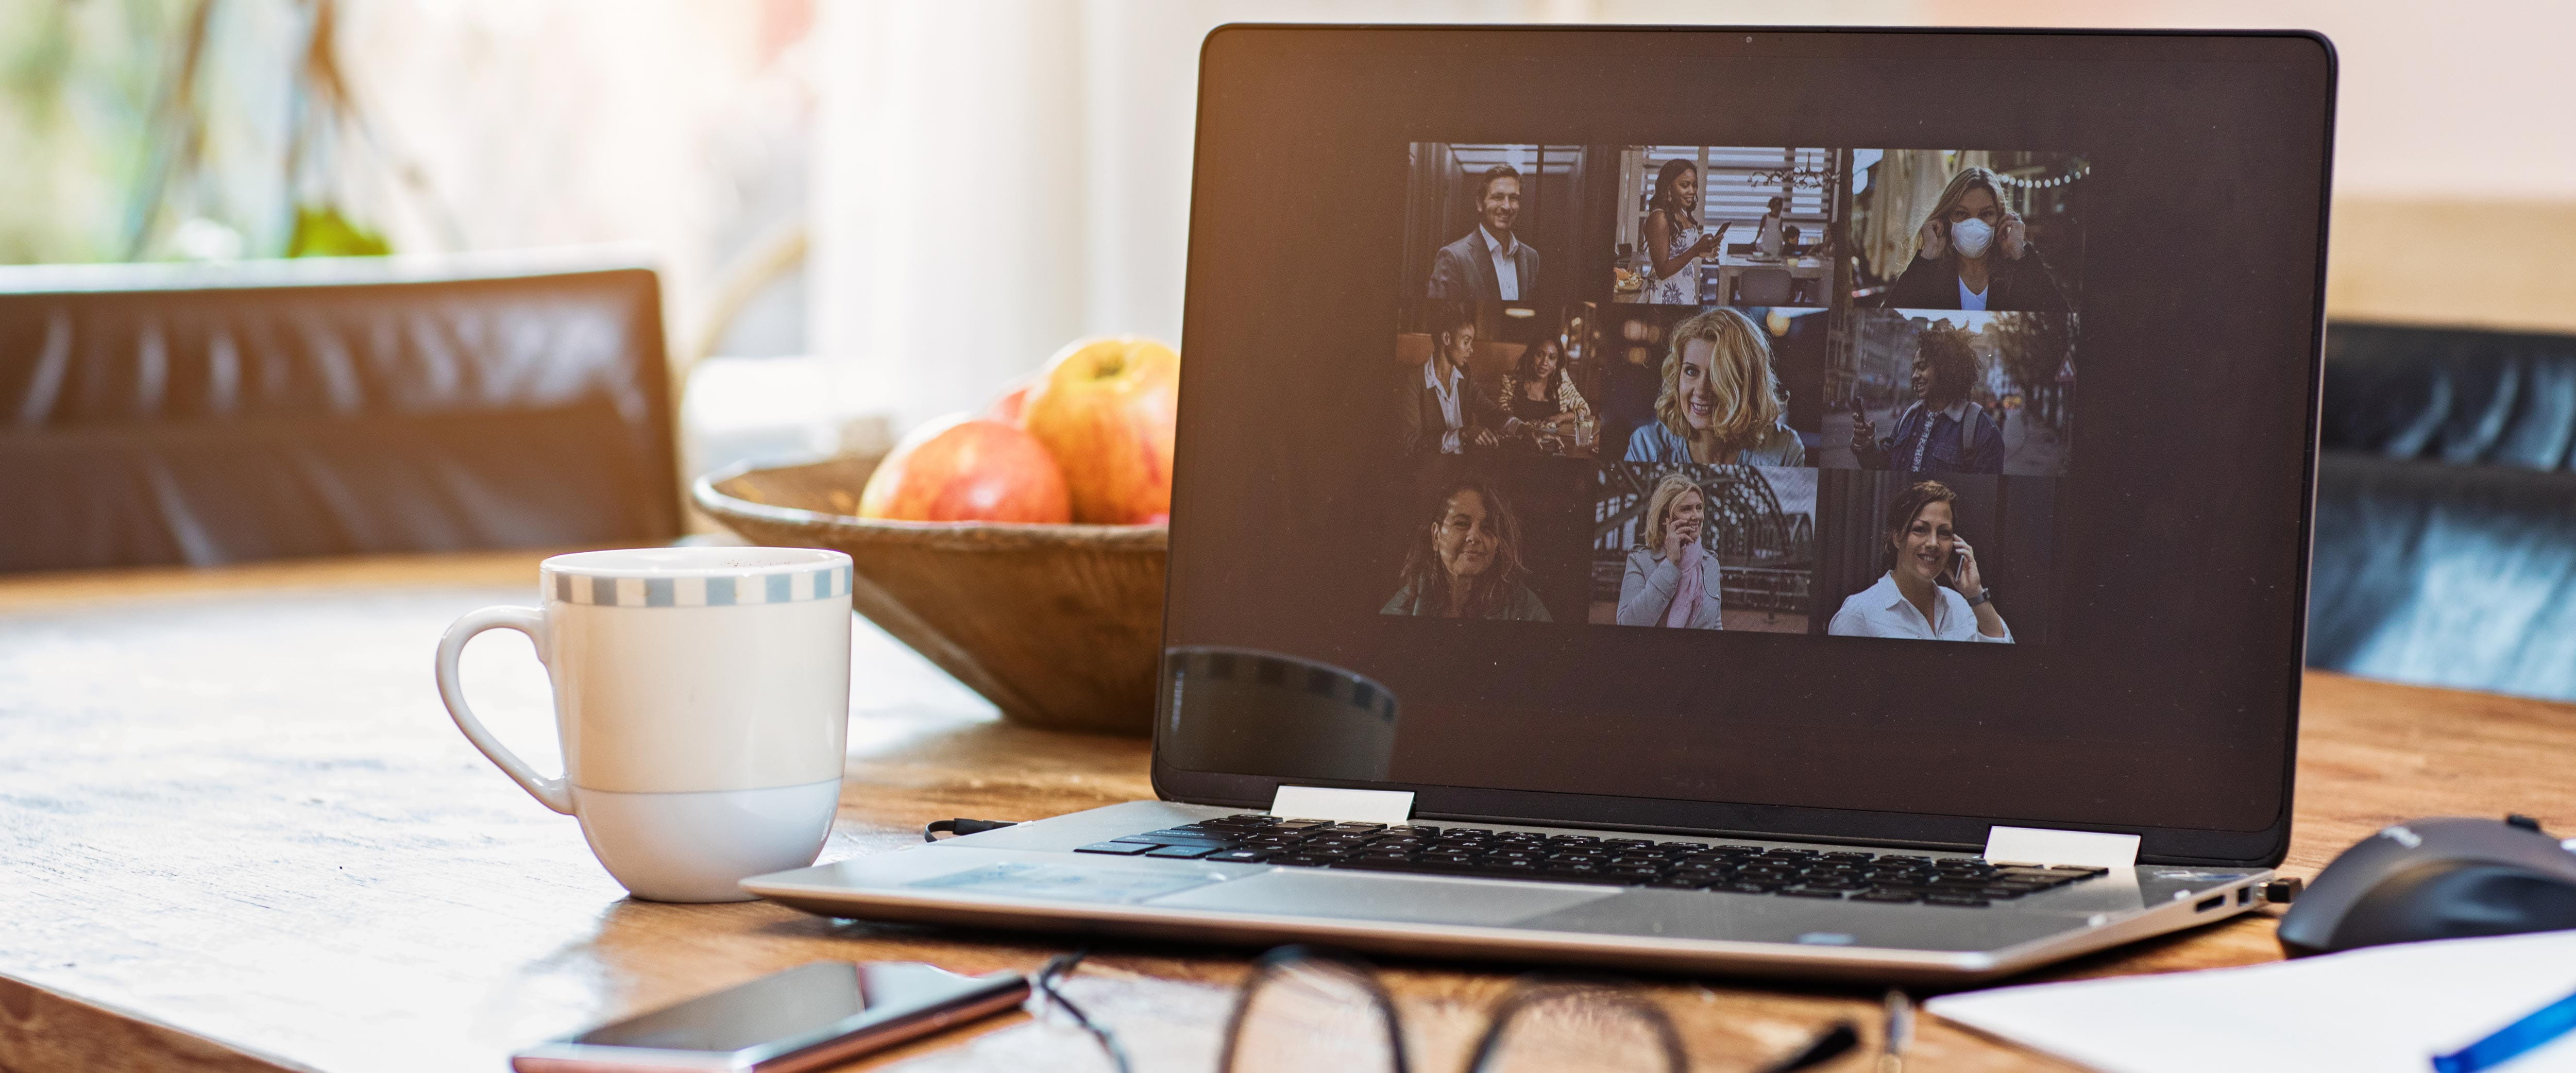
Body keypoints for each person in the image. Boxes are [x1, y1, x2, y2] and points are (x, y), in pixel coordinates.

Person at [1827, 480, 2011, 642]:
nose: (1933, 543)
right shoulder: (1858, 613)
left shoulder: (1961, 606)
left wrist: (1975, 594)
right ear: (1898, 538)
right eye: (1920, 529)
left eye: (1943, 533)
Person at [1624, 306, 1806, 465]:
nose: (1701, 390)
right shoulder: (1646, 446)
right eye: (1691, 372)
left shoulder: (1785, 449)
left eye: (1717, 375)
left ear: (1747, 383)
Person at [1880, 166, 2067, 312]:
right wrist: (1926, 257)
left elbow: (2058, 313)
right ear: (1947, 219)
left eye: (1986, 214)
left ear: (2001, 219)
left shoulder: (2018, 274)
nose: (1974, 224)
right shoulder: (1931, 275)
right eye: (1962, 213)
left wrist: (2020, 254)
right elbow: (1891, 312)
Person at [1381, 479, 1551, 620]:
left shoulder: (1527, 611)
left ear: (1498, 542)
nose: (1474, 537)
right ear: (1436, 536)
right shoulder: (1402, 608)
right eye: (1462, 524)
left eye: (1487, 528)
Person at [1850, 322, 2004, 473]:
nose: (1915, 376)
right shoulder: (1909, 417)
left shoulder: (1984, 431)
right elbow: (1885, 465)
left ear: (1946, 369)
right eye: (1914, 368)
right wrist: (1866, 445)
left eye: (1922, 367)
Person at [1616, 473, 1725, 629]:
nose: (1696, 516)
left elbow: (1716, 624)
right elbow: (1628, 624)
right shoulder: (1640, 561)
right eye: (1686, 509)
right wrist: (1670, 563)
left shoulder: (1711, 564)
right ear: (1664, 519)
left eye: (1699, 508)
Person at [1399, 303, 1504, 455]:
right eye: (1466, 341)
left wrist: (1525, 429)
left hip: (1464, 470)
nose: (1471, 349)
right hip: (1430, 473)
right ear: (1447, 338)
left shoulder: (1464, 376)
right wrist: (1462, 434)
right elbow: (1411, 443)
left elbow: (1489, 410)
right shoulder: (1414, 381)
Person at [1429, 164, 1541, 300]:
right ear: (1480, 204)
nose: (1506, 206)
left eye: (1513, 198)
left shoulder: (1530, 257)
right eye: (1498, 197)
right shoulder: (1453, 258)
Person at [1641, 158, 1727, 305]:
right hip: (1665, 297)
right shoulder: (1659, 218)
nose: (1692, 191)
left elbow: (1681, 254)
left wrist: (1705, 251)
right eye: (1685, 185)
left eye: (1694, 185)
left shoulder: (1682, 213)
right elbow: (1662, 271)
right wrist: (1696, 250)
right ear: (1669, 188)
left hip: (1685, 291)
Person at [1493, 335, 1594, 455]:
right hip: (1518, 449)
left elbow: (1585, 410)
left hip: (1552, 450)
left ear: (1557, 362)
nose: (1545, 363)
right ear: (1531, 355)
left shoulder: (1561, 382)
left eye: (1552, 358)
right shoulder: (1511, 382)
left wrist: (1560, 417)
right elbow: (1503, 417)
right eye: (1540, 355)